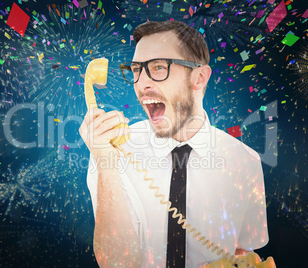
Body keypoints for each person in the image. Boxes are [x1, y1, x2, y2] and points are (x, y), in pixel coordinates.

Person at [79, 20, 269, 268]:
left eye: (158, 67)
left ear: (199, 77)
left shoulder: (246, 161)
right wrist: (105, 161)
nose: (141, 84)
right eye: (136, 70)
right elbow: (116, 263)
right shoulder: (111, 150)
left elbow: (244, 253)